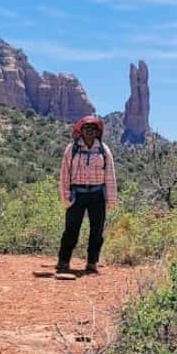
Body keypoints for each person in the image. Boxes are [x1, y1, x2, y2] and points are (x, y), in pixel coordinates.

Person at [56, 115, 117, 275]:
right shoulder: (72, 149)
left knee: (97, 230)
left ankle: (92, 263)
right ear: (81, 130)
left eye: (93, 129)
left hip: (97, 195)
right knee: (71, 229)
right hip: (77, 194)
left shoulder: (104, 150)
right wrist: (65, 195)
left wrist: (111, 200)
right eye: (86, 128)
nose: (89, 131)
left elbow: (110, 175)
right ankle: (63, 261)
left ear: (98, 132)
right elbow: (64, 173)